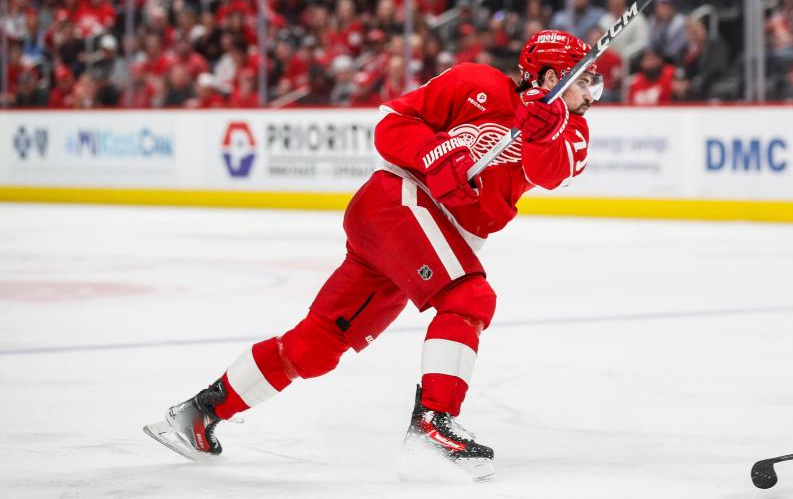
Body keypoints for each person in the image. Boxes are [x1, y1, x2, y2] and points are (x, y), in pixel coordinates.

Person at [144, 30, 601, 480]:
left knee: (316, 346)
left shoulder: (572, 131)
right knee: (469, 298)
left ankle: (198, 415)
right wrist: (435, 155)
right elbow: (391, 123)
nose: (590, 89)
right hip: (398, 202)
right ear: (545, 75)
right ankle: (433, 425)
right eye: (581, 78)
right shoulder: (475, 83)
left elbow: (552, 171)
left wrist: (545, 130)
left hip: (419, 232)